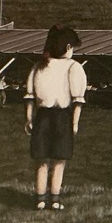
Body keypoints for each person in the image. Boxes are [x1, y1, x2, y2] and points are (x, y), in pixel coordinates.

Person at [24, 25, 87, 210]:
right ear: (68, 47)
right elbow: (78, 100)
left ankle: (40, 200)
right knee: (59, 162)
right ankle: (55, 199)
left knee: (42, 161)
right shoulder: (73, 67)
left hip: (41, 117)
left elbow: (29, 97)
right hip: (62, 118)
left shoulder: (38, 66)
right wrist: (75, 123)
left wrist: (29, 118)